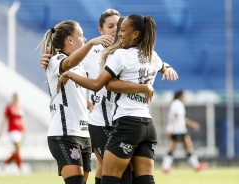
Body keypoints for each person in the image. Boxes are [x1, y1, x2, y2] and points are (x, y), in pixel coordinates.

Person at [57, 14, 178, 184]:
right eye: (113, 27)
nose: (118, 33)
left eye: (122, 29)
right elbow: (159, 66)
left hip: (127, 123)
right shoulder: (152, 55)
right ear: (101, 29)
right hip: (147, 126)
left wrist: (68, 74)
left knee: (112, 178)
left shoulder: (121, 54)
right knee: (144, 178)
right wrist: (161, 73)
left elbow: (102, 84)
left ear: (135, 34)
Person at [39, 20, 114, 184]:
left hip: (83, 134)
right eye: (81, 35)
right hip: (64, 134)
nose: (85, 39)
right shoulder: (55, 60)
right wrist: (94, 42)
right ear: (70, 40)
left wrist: (89, 105)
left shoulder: (80, 67)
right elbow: (69, 63)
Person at [161, 90, 209, 173]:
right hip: (177, 130)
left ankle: (196, 166)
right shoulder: (177, 103)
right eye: (184, 95)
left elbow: (180, 118)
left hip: (180, 129)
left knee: (187, 146)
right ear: (180, 96)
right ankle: (165, 167)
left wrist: (192, 124)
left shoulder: (176, 103)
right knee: (174, 148)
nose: (185, 97)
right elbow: (175, 116)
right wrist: (171, 129)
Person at [0, 92, 25, 173]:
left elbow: (21, 120)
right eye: (15, 97)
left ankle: (5, 164)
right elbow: (4, 119)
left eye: (17, 97)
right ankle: (20, 169)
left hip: (19, 130)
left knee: (17, 150)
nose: (16, 99)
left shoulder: (20, 107)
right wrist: (0, 132)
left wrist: (24, 130)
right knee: (18, 148)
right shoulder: (9, 107)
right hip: (12, 130)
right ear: (12, 98)